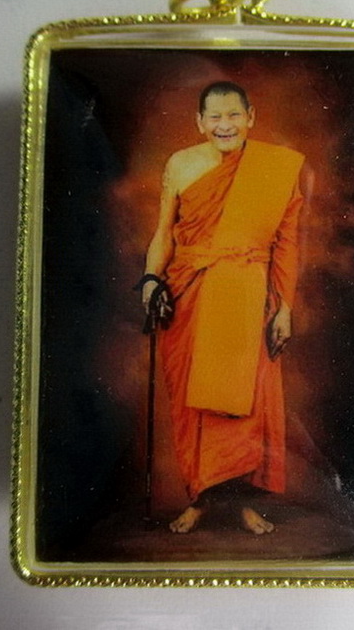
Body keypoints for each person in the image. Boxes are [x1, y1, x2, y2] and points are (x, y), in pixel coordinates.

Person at [140, 81, 304, 534]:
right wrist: (151, 279)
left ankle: (243, 503)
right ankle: (200, 499)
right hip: (189, 290)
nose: (224, 125)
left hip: (248, 294)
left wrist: (285, 307)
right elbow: (164, 233)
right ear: (200, 122)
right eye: (214, 116)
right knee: (193, 405)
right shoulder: (181, 164)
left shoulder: (275, 168)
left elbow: (286, 245)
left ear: (250, 117)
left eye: (234, 115)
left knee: (245, 404)